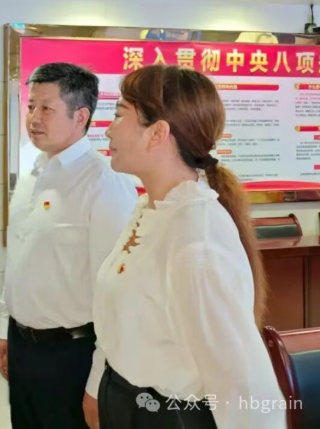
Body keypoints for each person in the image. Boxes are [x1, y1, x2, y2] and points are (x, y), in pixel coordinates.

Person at [96, 65, 286, 428]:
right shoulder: (152, 207)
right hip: (128, 401)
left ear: (157, 133)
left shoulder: (197, 237)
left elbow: (243, 382)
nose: (108, 128)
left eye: (119, 114)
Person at [0, 62, 138, 429]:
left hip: (72, 354)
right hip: (22, 345)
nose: (33, 118)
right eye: (31, 106)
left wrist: (98, 381)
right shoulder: (33, 171)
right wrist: (4, 328)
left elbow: (116, 293)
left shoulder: (104, 183)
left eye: (47, 108)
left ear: (81, 116)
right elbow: (18, 258)